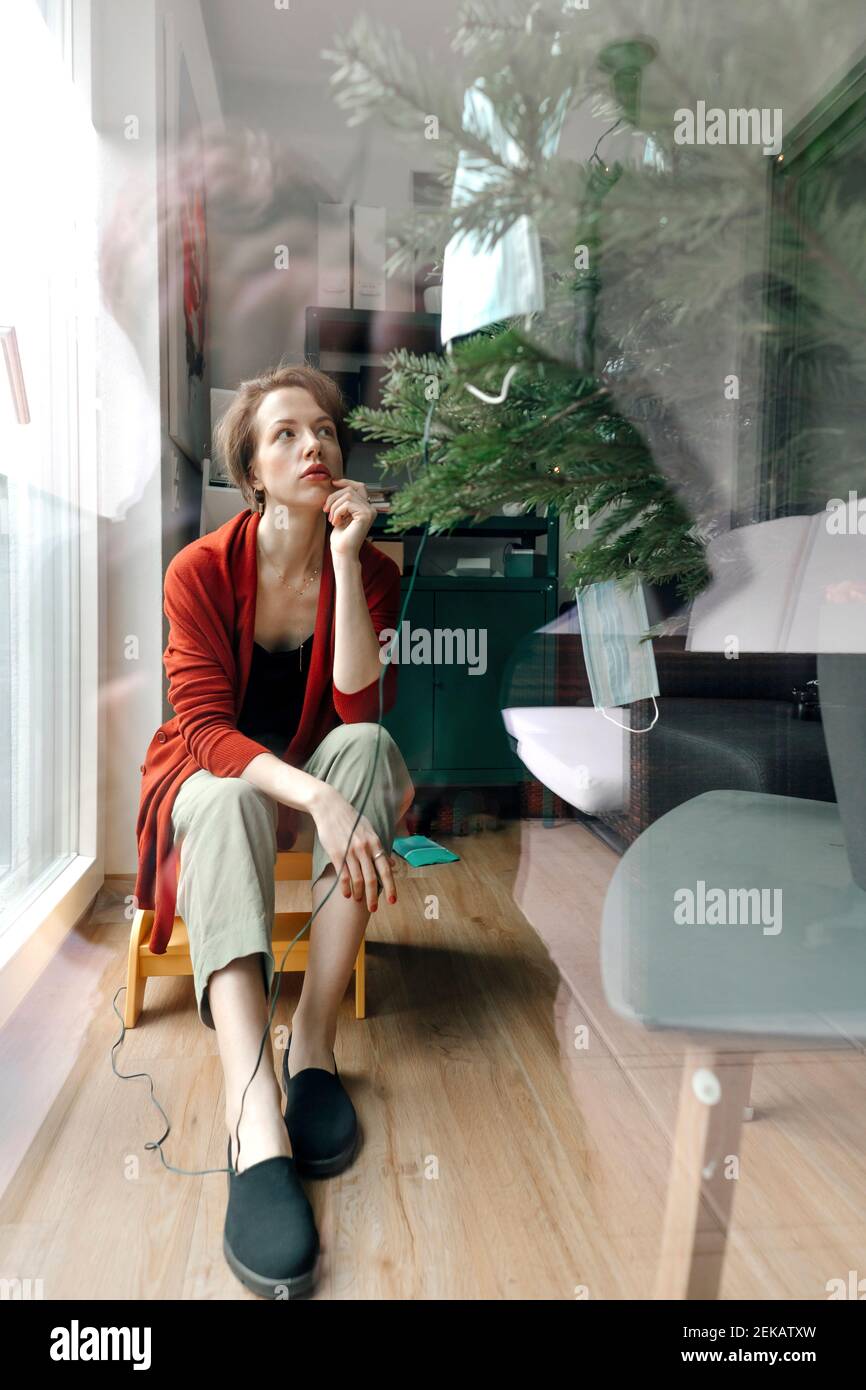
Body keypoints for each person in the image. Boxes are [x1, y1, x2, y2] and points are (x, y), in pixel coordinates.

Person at [140, 361, 414, 1297]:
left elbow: (356, 703)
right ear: (253, 473)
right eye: (287, 434)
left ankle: (316, 1046)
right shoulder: (199, 572)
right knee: (220, 798)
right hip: (212, 776)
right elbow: (205, 732)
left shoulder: (368, 567)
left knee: (372, 746)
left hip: (304, 769)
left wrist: (341, 562)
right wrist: (316, 799)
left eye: (327, 431)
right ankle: (253, 1101)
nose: (315, 446)